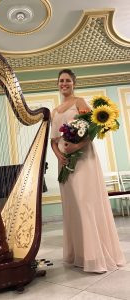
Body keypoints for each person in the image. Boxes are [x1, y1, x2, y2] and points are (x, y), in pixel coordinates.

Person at [50, 69, 126, 273]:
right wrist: (60, 155)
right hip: (65, 162)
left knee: (86, 203)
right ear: (57, 84)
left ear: (74, 83)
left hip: (83, 159)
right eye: (61, 81)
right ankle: (80, 254)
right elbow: (54, 142)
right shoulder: (55, 110)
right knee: (73, 206)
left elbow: (92, 130)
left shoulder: (80, 102)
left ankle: (94, 256)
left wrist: (76, 147)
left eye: (67, 80)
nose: (64, 83)